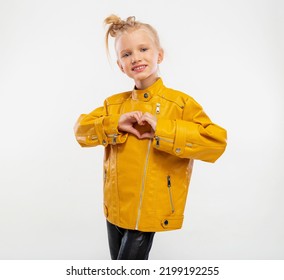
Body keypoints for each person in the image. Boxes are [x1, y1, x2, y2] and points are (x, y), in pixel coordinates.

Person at [74, 14, 227, 260]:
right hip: (113, 210)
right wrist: (115, 124)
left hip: (147, 212)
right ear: (120, 65)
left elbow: (216, 142)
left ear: (159, 55)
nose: (135, 57)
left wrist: (163, 129)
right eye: (126, 54)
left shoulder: (180, 104)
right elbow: (81, 132)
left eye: (143, 49)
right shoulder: (113, 105)